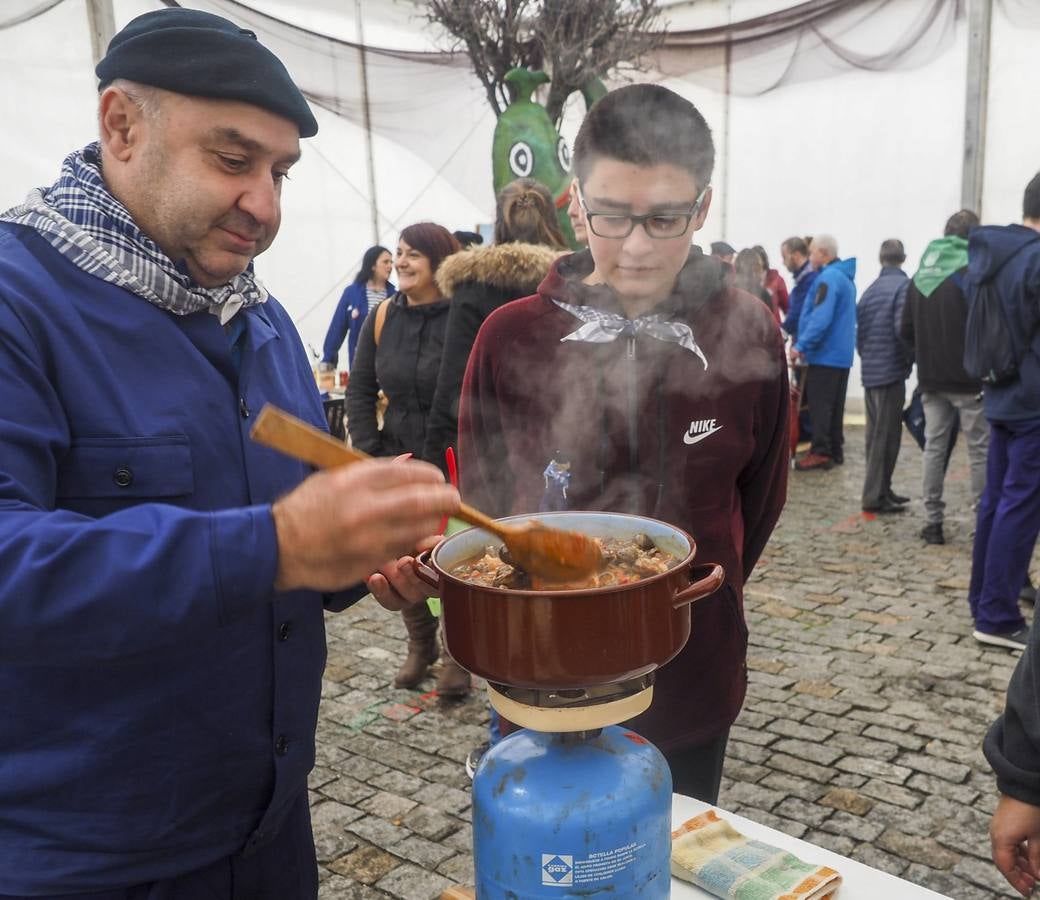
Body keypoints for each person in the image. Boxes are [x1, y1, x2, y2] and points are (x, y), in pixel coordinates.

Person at [0, 8, 459, 897]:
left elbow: (287, 528)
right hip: (83, 861)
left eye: (281, 171)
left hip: (271, 834)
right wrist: (275, 544)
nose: (266, 206)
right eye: (233, 159)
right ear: (121, 126)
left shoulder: (259, 319)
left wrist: (363, 552)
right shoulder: (19, 303)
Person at [457, 83, 789, 802]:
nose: (636, 248)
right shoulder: (510, 335)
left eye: (666, 219)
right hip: (539, 670)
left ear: (702, 207)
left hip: (693, 671)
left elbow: (757, 505)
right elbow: (480, 500)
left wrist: (711, 587)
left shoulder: (750, 333)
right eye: (611, 215)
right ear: (576, 200)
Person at [346, 222, 462, 691]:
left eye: (414, 254)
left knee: (454, 559)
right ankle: (421, 645)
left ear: (440, 261)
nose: (401, 262)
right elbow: (359, 388)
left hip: (454, 465)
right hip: (396, 457)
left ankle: (459, 653)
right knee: (401, 557)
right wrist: (370, 452)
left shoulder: (461, 318)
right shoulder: (383, 317)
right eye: (398, 253)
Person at [966, 173, 1040, 650]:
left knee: (996, 503)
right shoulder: (1034, 258)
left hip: (1001, 395)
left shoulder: (990, 253)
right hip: (1034, 399)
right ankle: (996, 615)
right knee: (1019, 506)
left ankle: (985, 599)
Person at [899, 209, 988, 546]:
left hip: (932, 380)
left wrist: (923, 359)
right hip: (970, 381)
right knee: (979, 451)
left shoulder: (921, 274)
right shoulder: (973, 273)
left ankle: (933, 522)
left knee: (935, 450)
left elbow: (903, 330)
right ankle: (983, 524)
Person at [790, 234, 857, 471]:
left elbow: (820, 317)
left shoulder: (827, 279)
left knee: (820, 406)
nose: (810, 257)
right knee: (836, 406)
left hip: (825, 354)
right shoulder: (845, 278)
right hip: (841, 355)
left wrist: (801, 346)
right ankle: (835, 449)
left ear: (824, 253)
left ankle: (820, 451)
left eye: (812, 253)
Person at [856, 239, 911, 513]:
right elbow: (903, 329)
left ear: (881, 259)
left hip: (871, 371)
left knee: (874, 437)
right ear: (903, 258)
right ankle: (875, 496)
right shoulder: (904, 287)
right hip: (890, 371)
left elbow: (861, 335)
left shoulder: (870, 290)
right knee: (886, 438)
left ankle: (882, 489)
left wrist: (869, 360)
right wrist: (908, 359)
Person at [321, 244, 393, 370]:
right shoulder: (352, 293)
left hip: (389, 364)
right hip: (360, 364)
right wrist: (328, 359)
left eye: (391, 262)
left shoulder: (396, 296)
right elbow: (337, 327)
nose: (390, 266)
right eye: (386, 262)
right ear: (372, 265)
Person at [780, 236, 816, 342]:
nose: (783, 262)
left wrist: (782, 333)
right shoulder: (801, 281)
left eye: (784, 257)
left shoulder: (810, 280)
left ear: (795, 255)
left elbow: (798, 312)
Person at [754, 244, 789, 321]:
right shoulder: (746, 282)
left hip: (772, 327)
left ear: (763, 260)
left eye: (758, 259)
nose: (756, 263)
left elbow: (787, 308)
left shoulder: (777, 280)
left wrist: (785, 329)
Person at [733, 246, 774, 312]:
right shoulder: (763, 294)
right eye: (759, 266)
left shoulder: (728, 290)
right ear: (756, 267)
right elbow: (769, 319)